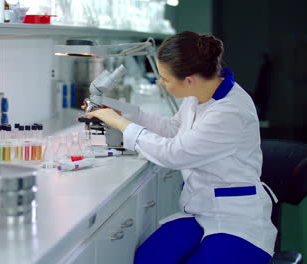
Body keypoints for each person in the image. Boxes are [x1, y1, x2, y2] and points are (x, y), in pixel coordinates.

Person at [85, 31, 277, 264]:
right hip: (199, 210)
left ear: (188, 80)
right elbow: (173, 128)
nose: (160, 82)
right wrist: (122, 112)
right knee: (149, 259)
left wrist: (122, 125)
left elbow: (174, 154)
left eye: (165, 78)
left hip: (237, 218)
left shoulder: (230, 111)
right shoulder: (200, 93)